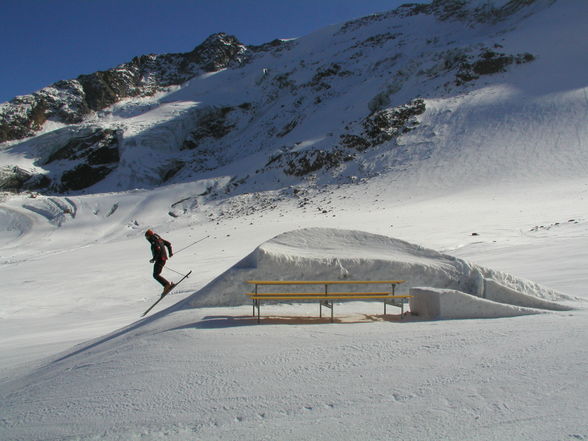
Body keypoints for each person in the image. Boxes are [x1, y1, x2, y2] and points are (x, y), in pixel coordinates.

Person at [145, 229, 175, 295]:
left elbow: (158, 249)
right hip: (163, 259)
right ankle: (167, 285)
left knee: (155, 275)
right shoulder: (159, 239)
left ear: (149, 236)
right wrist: (170, 253)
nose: (146, 239)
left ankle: (167, 285)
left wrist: (154, 259)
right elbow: (168, 244)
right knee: (156, 274)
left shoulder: (154, 241)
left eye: (146, 237)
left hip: (160, 259)